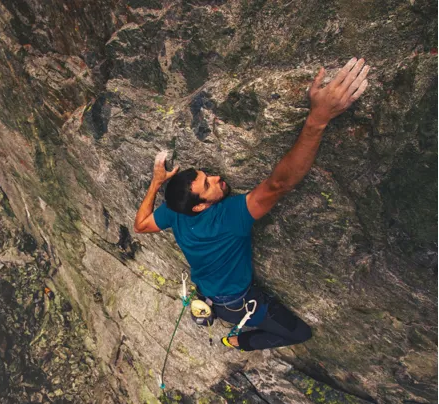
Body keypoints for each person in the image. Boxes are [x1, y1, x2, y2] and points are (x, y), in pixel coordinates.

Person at [133, 57, 370, 351]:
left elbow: (141, 225)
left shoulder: (175, 211)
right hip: (237, 304)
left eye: (208, 175)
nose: (218, 178)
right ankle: (236, 340)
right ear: (200, 206)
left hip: (209, 295)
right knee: (300, 334)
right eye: (208, 185)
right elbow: (279, 184)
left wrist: (157, 183)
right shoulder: (229, 218)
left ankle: (230, 330)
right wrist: (318, 119)